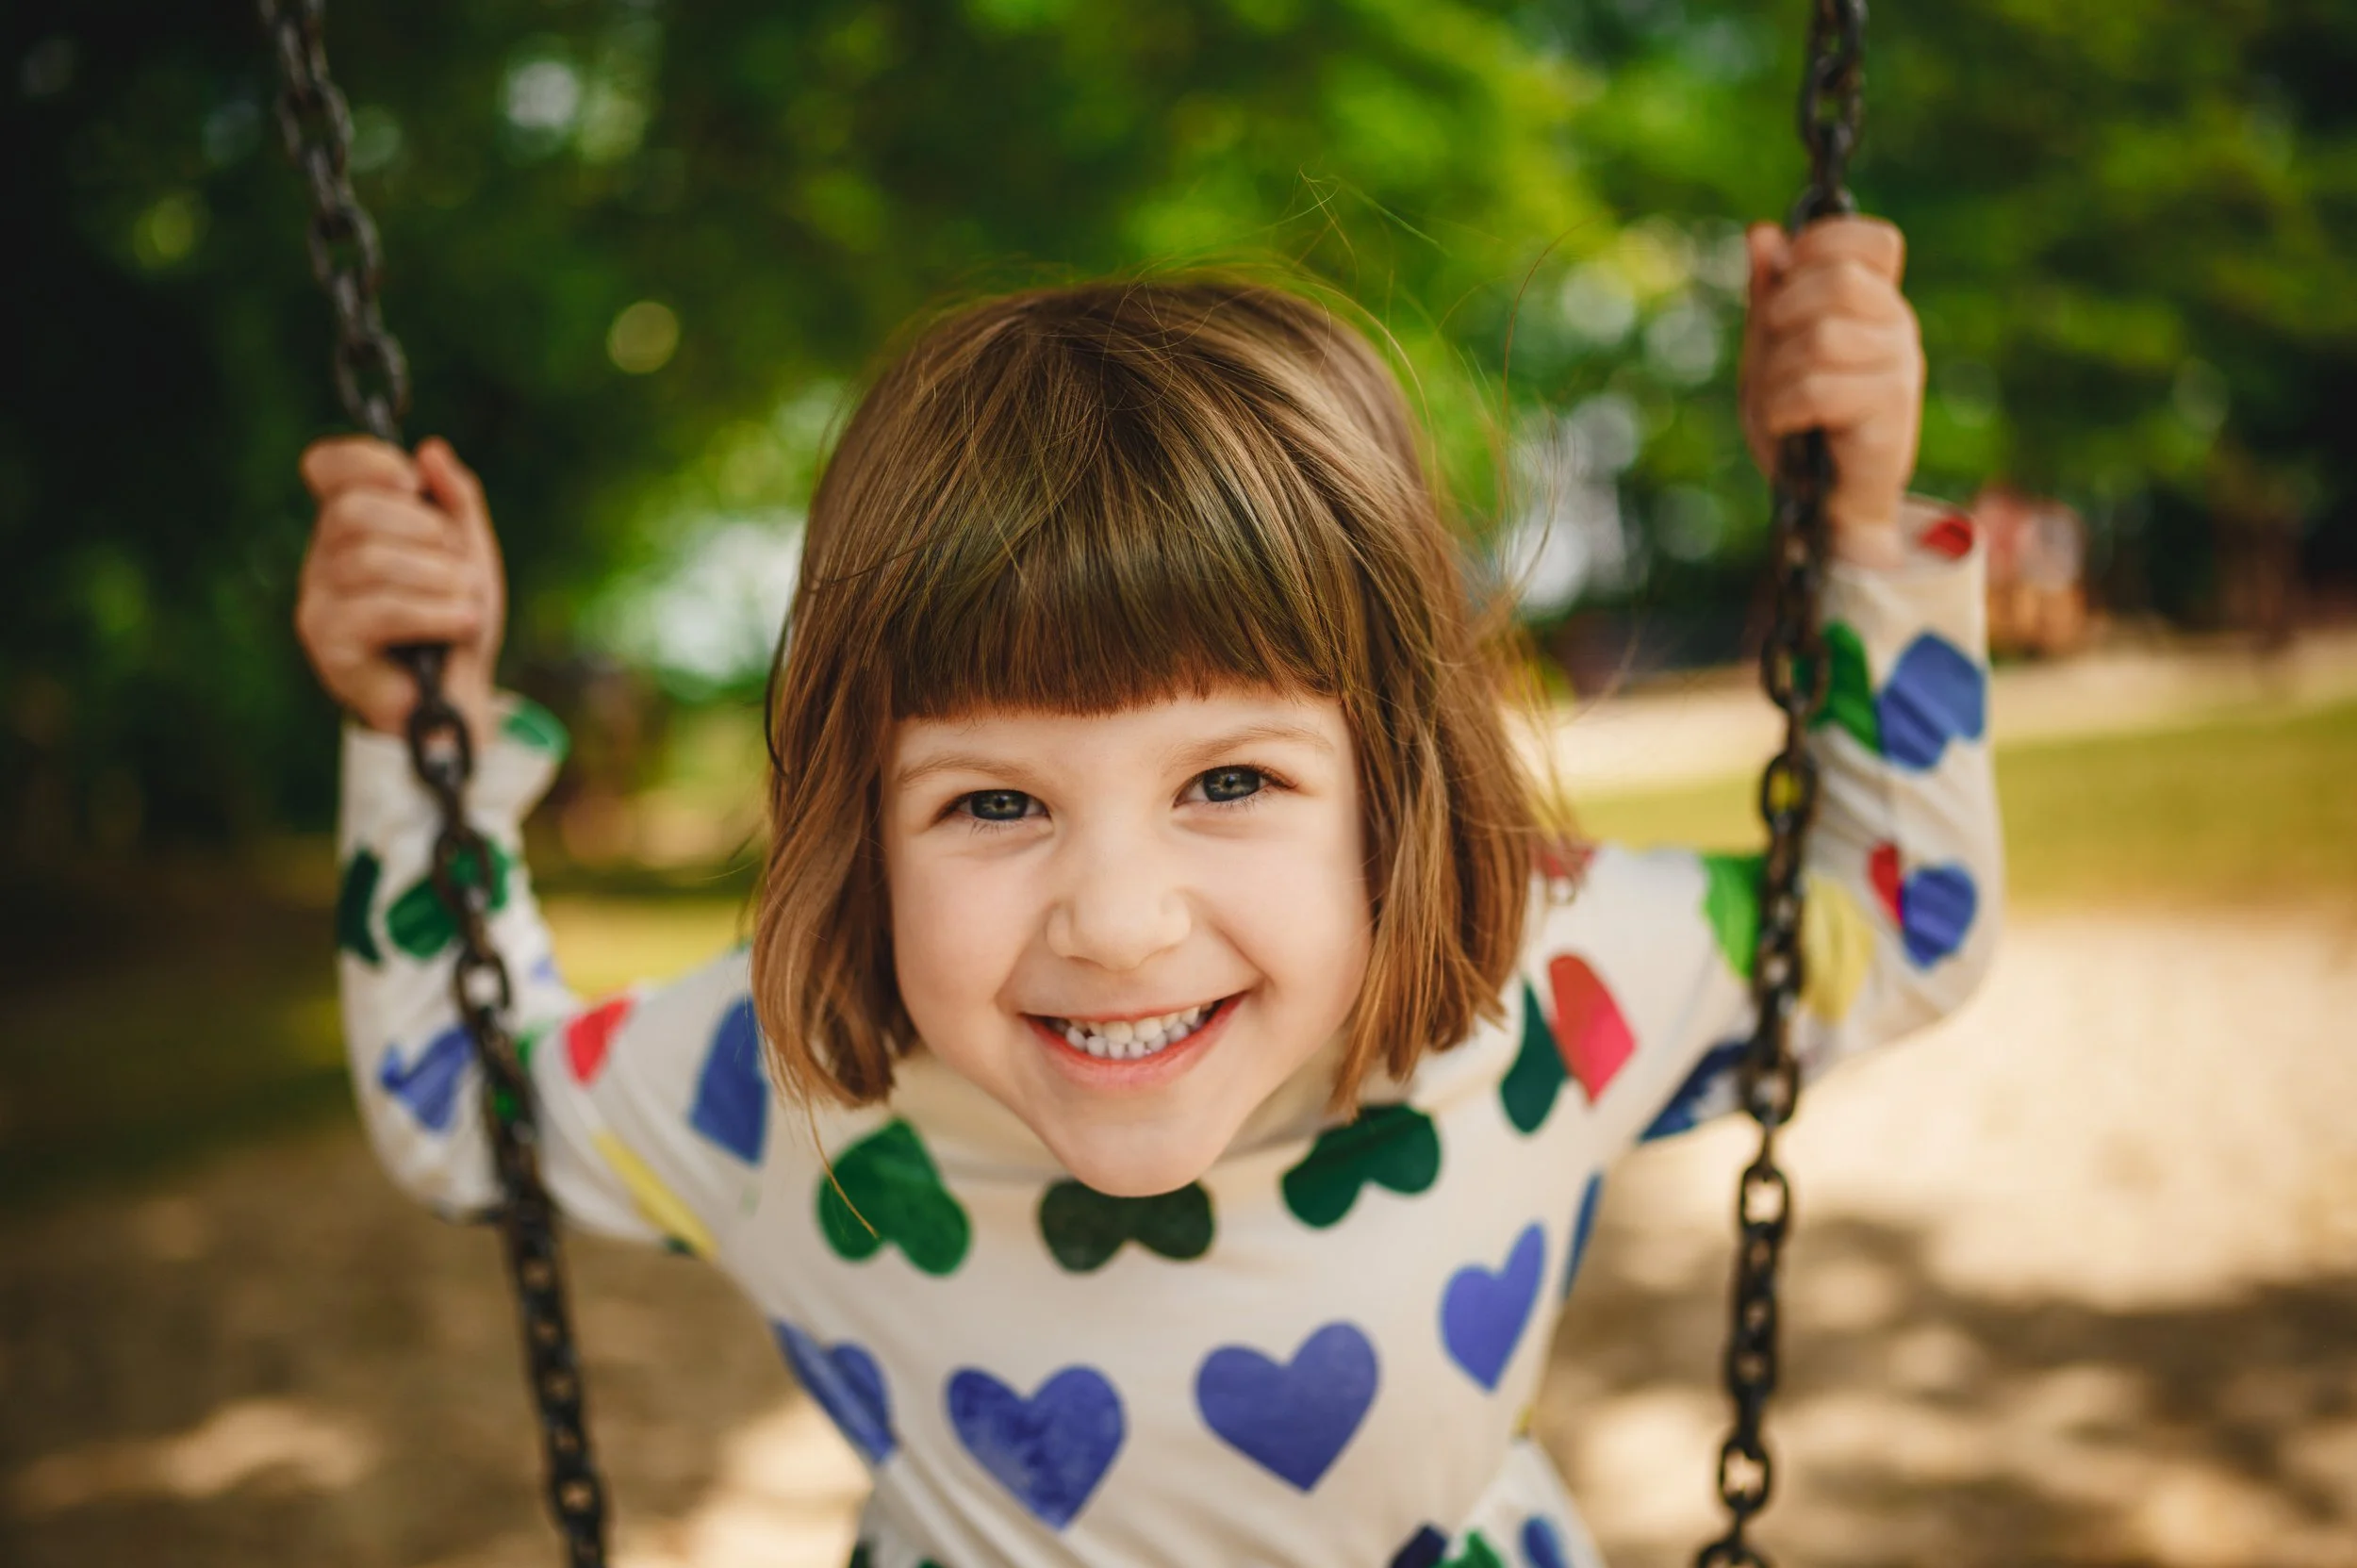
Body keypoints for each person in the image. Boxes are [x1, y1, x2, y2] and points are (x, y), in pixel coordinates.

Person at [296, 219, 2000, 1568]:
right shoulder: (787, 1088)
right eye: (991, 801)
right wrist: (415, 737)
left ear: (1394, 782)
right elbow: (461, 1100)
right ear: (859, 828)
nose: (1117, 921)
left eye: (1231, 782)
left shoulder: (1549, 987)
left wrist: (1855, 532)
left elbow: (1900, 919)